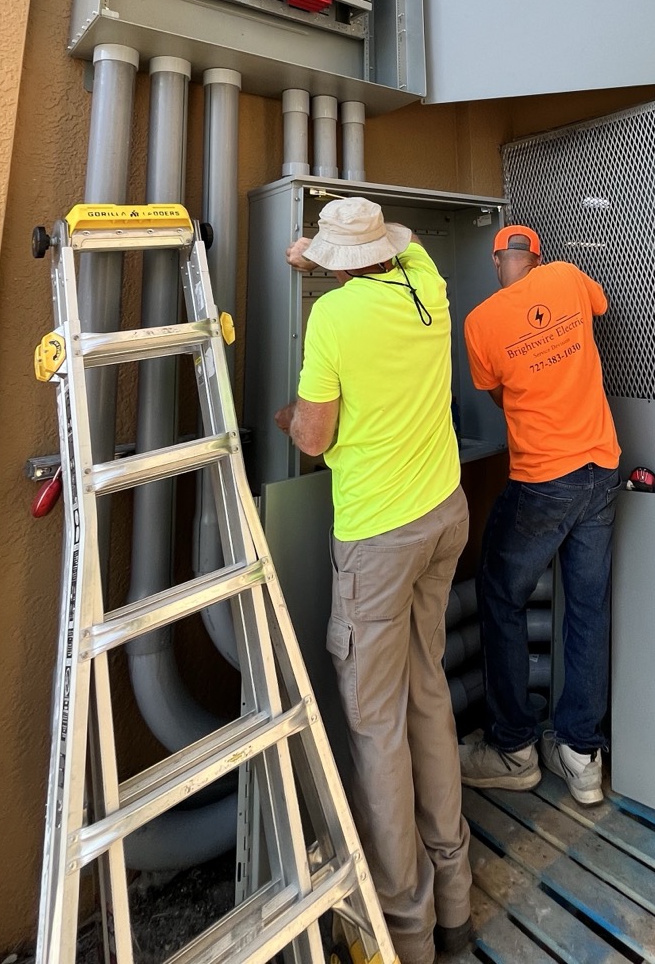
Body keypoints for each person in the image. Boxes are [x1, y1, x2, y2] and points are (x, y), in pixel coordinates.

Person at [276, 195, 472, 964]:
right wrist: (322, 254)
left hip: (379, 539)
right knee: (429, 695)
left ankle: (406, 929)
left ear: (339, 266)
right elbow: (412, 245)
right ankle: (454, 903)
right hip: (444, 515)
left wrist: (294, 414)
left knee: (377, 723)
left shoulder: (333, 321)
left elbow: (315, 436)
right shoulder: (428, 287)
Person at [458, 225, 620, 806]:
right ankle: (582, 757)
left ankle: (513, 749)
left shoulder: (481, 322)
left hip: (542, 481)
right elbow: (598, 308)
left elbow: (499, 396)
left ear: (498, 260)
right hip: (601, 470)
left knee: (501, 595)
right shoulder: (568, 277)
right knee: (586, 607)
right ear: (537, 257)